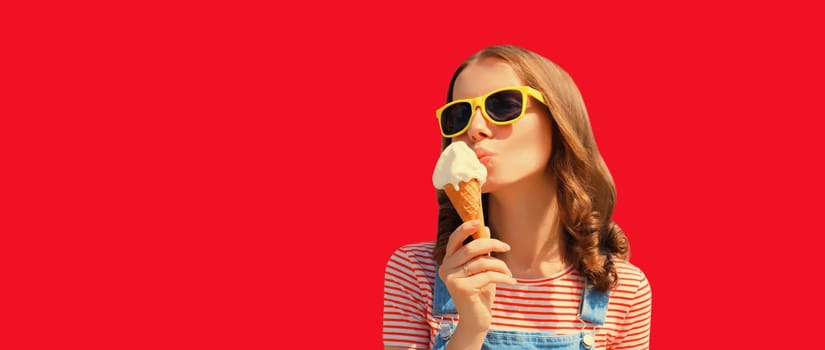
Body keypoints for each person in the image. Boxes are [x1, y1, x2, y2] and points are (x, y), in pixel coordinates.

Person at [383, 45, 652, 350]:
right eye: (459, 114)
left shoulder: (623, 288)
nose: (474, 129)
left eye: (503, 105)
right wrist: (470, 328)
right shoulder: (415, 271)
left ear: (559, 120)